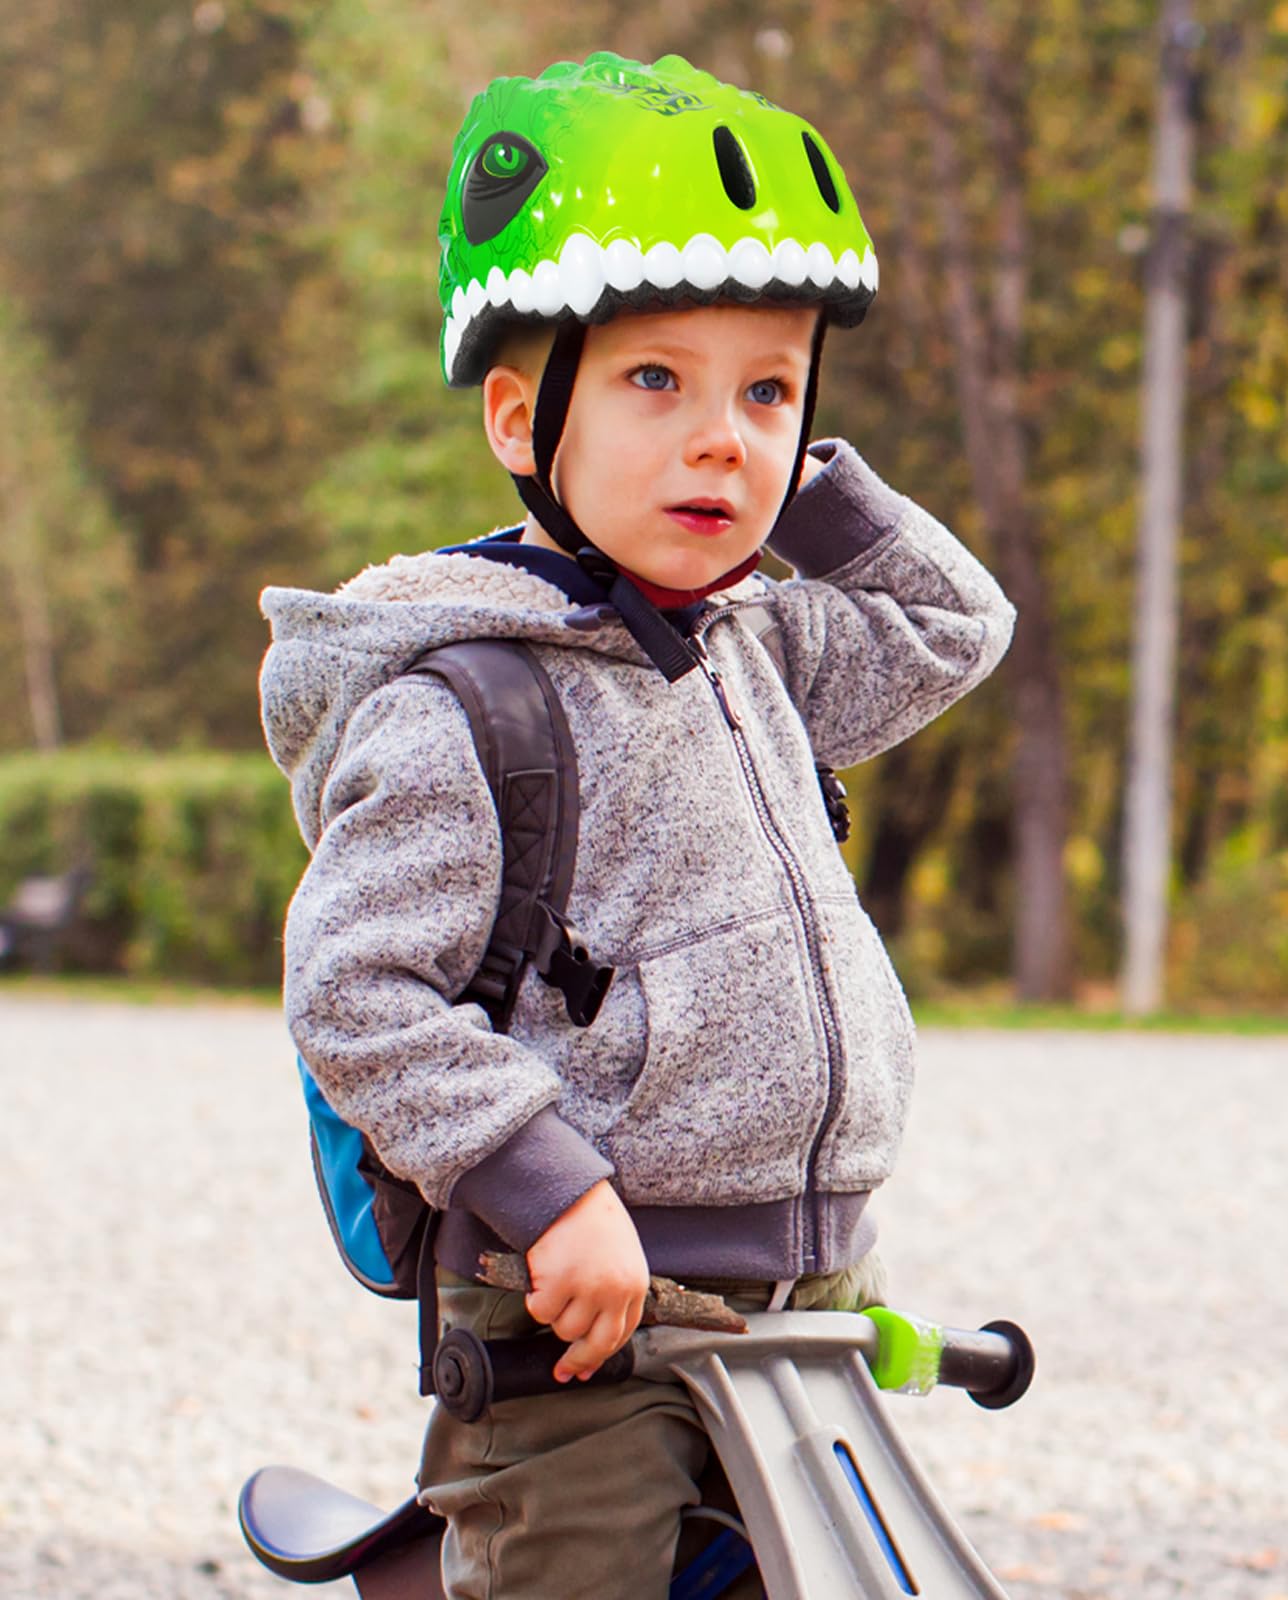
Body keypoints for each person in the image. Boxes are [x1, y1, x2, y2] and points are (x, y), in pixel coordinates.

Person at [258, 49, 1015, 1600]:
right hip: (577, 1322)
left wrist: (804, 493)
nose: (721, 436)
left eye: (768, 389)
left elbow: (955, 623)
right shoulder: (462, 704)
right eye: (657, 381)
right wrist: (552, 1190)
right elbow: (355, 990)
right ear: (523, 416)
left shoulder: (766, 650)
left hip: (803, 1302)